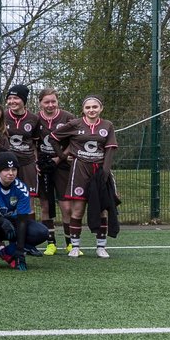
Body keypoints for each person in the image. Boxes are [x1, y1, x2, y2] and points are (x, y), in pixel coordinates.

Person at [52, 95, 118, 259]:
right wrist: (62, 156)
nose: (91, 110)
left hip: (99, 171)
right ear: (83, 110)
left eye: (95, 107)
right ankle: (75, 246)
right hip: (79, 170)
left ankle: (101, 247)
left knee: (101, 209)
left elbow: (110, 149)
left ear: (100, 109)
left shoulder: (107, 125)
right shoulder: (75, 124)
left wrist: (105, 171)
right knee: (78, 209)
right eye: (88, 107)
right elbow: (54, 137)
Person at [0, 152, 48, 270]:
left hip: (12, 225)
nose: (11, 173)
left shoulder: (21, 188)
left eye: (14, 169)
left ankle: (8, 252)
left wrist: (19, 251)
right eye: (6, 169)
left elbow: (23, 220)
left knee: (41, 232)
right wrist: (1, 221)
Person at [35, 88, 75, 255]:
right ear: (40, 103)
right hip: (43, 166)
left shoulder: (68, 118)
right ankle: (50, 243)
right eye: (46, 102)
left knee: (66, 206)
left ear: (57, 102)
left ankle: (70, 243)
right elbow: (32, 143)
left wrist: (61, 157)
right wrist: (36, 161)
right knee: (45, 205)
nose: (50, 105)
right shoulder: (35, 119)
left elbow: (75, 141)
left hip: (62, 164)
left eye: (53, 101)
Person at [2, 84, 42, 205]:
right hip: (8, 162)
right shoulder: (2, 116)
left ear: (24, 100)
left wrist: (36, 162)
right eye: (9, 98)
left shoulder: (34, 118)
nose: (12, 101)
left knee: (28, 197)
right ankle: (10, 223)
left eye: (16, 98)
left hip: (27, 162)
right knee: (7, 196)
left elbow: (35, 143)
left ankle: (27, 223)